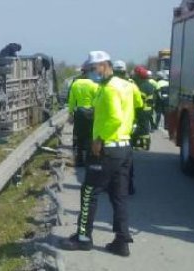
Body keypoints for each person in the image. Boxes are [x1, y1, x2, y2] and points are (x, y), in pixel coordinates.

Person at [60, 51, 135, 257]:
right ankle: (121, 241)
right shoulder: (127, 86)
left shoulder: (109, 89)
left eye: (93, 69)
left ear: (103, 65)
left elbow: (115, 118)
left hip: (106, 148)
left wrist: (98, 139)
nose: (91, 73)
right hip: (124, 147)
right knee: (119, 195)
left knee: (89, 192)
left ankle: (83, 238)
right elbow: (134, 106)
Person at [114, 60, 143, 195]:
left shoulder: (106, 85)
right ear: (124, 72)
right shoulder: (131, 86)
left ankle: (111, 186)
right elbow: (139, 103)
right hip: (126, 130)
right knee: (127, 161)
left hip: (110, 130)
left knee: (108, 159)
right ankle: (129, 186)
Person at [67, 62, 99, 166]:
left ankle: (79, 159)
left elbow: (71, 101)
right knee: (90, 135)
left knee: (78, 136)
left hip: (79, 112)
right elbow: (98, 101)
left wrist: (70, 113)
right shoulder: (94, 85)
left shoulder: (75, 84)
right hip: (91, 112)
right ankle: (90, 159)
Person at [131, 66, 155, 150]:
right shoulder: (148, 84)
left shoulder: (143, 86)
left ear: (139, 76)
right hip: (148, 110)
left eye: (135, 75)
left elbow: (139, 99)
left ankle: (144, 146)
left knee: (143, 129)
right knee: (144, 127)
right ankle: (142, 144)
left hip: (143, 110)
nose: (134, 77)